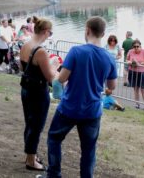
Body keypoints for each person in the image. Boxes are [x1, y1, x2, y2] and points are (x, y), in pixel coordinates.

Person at [46, 17, 117, 178]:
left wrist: (55, 69)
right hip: (92, 111)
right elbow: (111, 86)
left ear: (87, 30)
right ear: (103, 33)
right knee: (88, 149)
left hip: (69, 107)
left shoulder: (76, 52)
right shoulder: (109, 58)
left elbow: (62, 79)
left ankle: (54, 174)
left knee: (54, 138)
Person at [20, 17, 58, 172]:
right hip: (38, 92)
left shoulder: (26, 45)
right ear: (45, 31)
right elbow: (50, 77)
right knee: (36, 126)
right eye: (51, 32)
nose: (50, 35)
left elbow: (23, 69)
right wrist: (55, 65)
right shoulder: (40, 50)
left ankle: (30, 155)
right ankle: (31, 160)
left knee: (29, 124)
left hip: (26, 90)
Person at [126, 39, 144, 110]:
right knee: (135, 89)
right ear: (132, 47)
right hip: (133, 71)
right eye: (134, 46)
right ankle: (137, 104)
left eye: (137, 46)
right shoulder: (130, 51)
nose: (136, 48)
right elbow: (127, 60)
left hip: (142, 72)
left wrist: (139, 63)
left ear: (140, 46)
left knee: (143, 89)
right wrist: (130, 62)